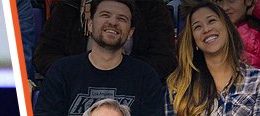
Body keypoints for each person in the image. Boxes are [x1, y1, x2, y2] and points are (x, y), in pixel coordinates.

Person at [34, 0, 165, 116]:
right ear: (89, 25)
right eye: (105, 15)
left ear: (131, 32)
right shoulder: (62, 71)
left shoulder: (145, 76)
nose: (112, 22)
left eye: (122, 19)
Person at [33, 0, 177, 80]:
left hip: (133, 86)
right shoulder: (71, 4)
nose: (113, 22)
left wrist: (124, 73)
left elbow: (165, 59)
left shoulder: (151, 5)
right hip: (76, 84)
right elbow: (44, 56)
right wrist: (78, 72)